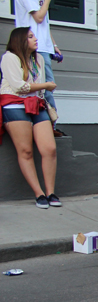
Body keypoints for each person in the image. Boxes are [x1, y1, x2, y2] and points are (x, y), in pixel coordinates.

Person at [1, 27, 59, 208]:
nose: (35, 39)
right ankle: (39, 193)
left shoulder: (39, 58)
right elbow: (19, 86)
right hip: (14, 104)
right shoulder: (9, 57)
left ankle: (50, 192)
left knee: (49, 149)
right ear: (20, 40)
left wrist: (44, 88)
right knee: (25, 151)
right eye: (30, 37)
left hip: (37, 103)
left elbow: (38, 88)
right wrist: (46, 85)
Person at [14, 0, 61, 133]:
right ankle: (50, 125)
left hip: (44, 46)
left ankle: (49, 124)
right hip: (32, 46)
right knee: (46, 86)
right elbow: (38, 17)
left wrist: (54, 45)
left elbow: (44, 23)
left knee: (46, 87)